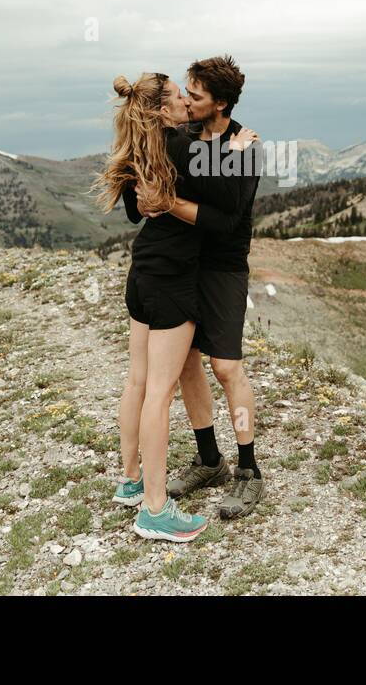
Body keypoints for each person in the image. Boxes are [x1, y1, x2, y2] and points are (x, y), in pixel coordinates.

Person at [92, 72, 251, 542]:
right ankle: (155, 510)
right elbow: (224, 209)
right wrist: (235, 154)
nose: (185, 100)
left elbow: (132, 213)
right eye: (179, 96)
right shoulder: (181, 146)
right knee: (160, 393)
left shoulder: (137, 146)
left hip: (142, 273)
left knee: (137, 382)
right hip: (172, 281)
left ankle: (131, 481)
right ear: (162, 109)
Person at [132, 56, 266, 520]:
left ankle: (249, 471)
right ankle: (209, 459)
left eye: (197, 95)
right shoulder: (186, 138)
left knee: (226, 367)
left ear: (221, 104)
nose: (187, 100)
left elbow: (228, 221)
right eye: (185, 91)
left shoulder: (246, 147)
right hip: (186, 267)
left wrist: (168, 202)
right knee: (187, 364)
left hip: (224, 268)